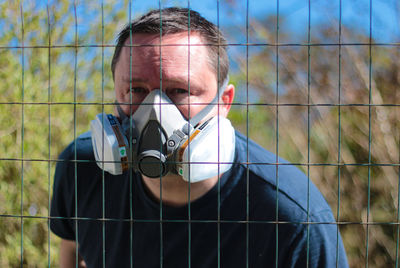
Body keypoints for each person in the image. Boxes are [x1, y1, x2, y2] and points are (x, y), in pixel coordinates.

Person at [50, 7, 349, 268]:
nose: (154, 110)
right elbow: (72, 248)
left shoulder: (293, 218)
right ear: (117, 93)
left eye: (180, 91)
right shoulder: (82, 168)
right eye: (136, 90)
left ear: (224, 102)